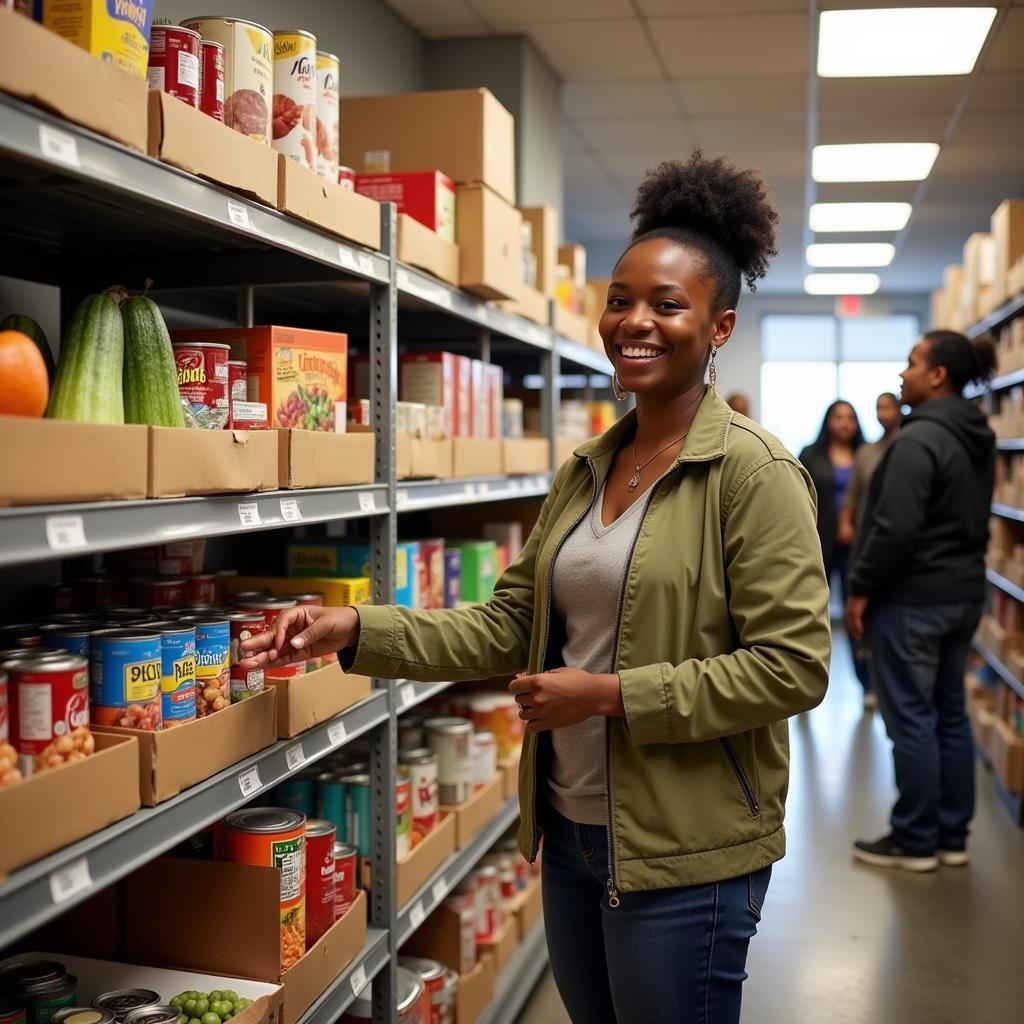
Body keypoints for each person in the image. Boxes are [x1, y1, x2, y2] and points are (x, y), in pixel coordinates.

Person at [240, 151, 831, 1023]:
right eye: (621, 299)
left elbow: (793, 667)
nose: (634, 322)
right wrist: (355, 631)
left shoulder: (755, 474)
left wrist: (608, 696)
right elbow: (504, 625)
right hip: (572, 836)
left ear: (720, 328)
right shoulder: (588, 468)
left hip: (686, 850)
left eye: (668, 305)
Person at [846, 330, 997, 872]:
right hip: (963, 594)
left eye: (911, 364)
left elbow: (893, 530)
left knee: (911, 717)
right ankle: (951, 837)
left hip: (913, 599)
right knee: (949, 715)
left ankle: (914, 840)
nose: (901, 374)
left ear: (937, 376)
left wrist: (860, 588)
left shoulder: (917, 441)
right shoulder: (975, 434)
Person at [837, 391, 904, 709]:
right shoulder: (867, 453)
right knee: (861, 618)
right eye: (878, 407)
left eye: (888, 406)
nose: (882, 412)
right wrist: (846, 523)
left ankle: (888, 682)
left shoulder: (909, 447)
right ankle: (868, 684)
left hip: (899, 547)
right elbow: (853, 494)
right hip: (865, 544)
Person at [799, 402, 871, 696]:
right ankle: (804, 681)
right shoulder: (810, 455)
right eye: (838, 417)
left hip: (858, 546)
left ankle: (867, 685)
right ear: (828, 421)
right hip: (819, 543)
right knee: (811, 613)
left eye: (850, 417)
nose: (844, 423)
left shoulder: (867, 454)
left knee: (858, 614)